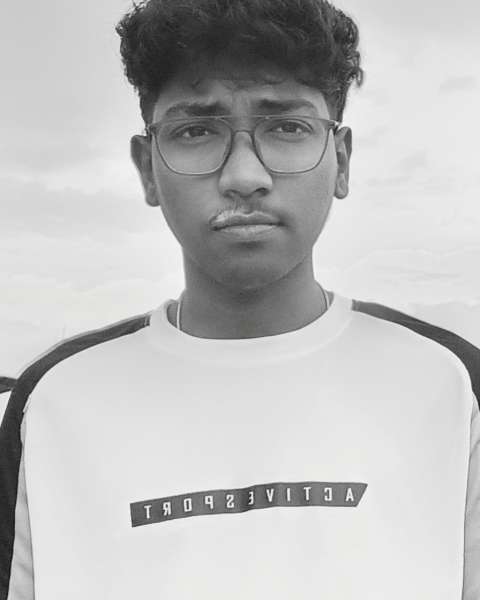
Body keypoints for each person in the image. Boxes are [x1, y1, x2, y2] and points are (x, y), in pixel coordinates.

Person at [1, 0, 479, 598]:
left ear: (341, 161)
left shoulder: (450, 385)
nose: (244, 176)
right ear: (148, 169)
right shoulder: (54, 402)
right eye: (196, 131)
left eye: (287, 127)